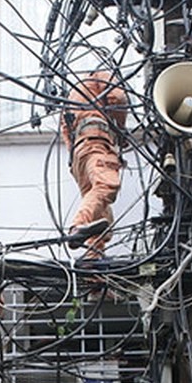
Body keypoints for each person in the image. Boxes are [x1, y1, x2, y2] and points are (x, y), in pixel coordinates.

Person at [60, 70, 128, 259]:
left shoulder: (71, 96)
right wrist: (121, 133)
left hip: (79, 155)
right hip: (96, 140)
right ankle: (79, 224)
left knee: (102, 215)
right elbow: (118, 97)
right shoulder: (100, 75)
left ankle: (93, 263)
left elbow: (65, 130)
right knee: (107, 186)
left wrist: (76, 153)